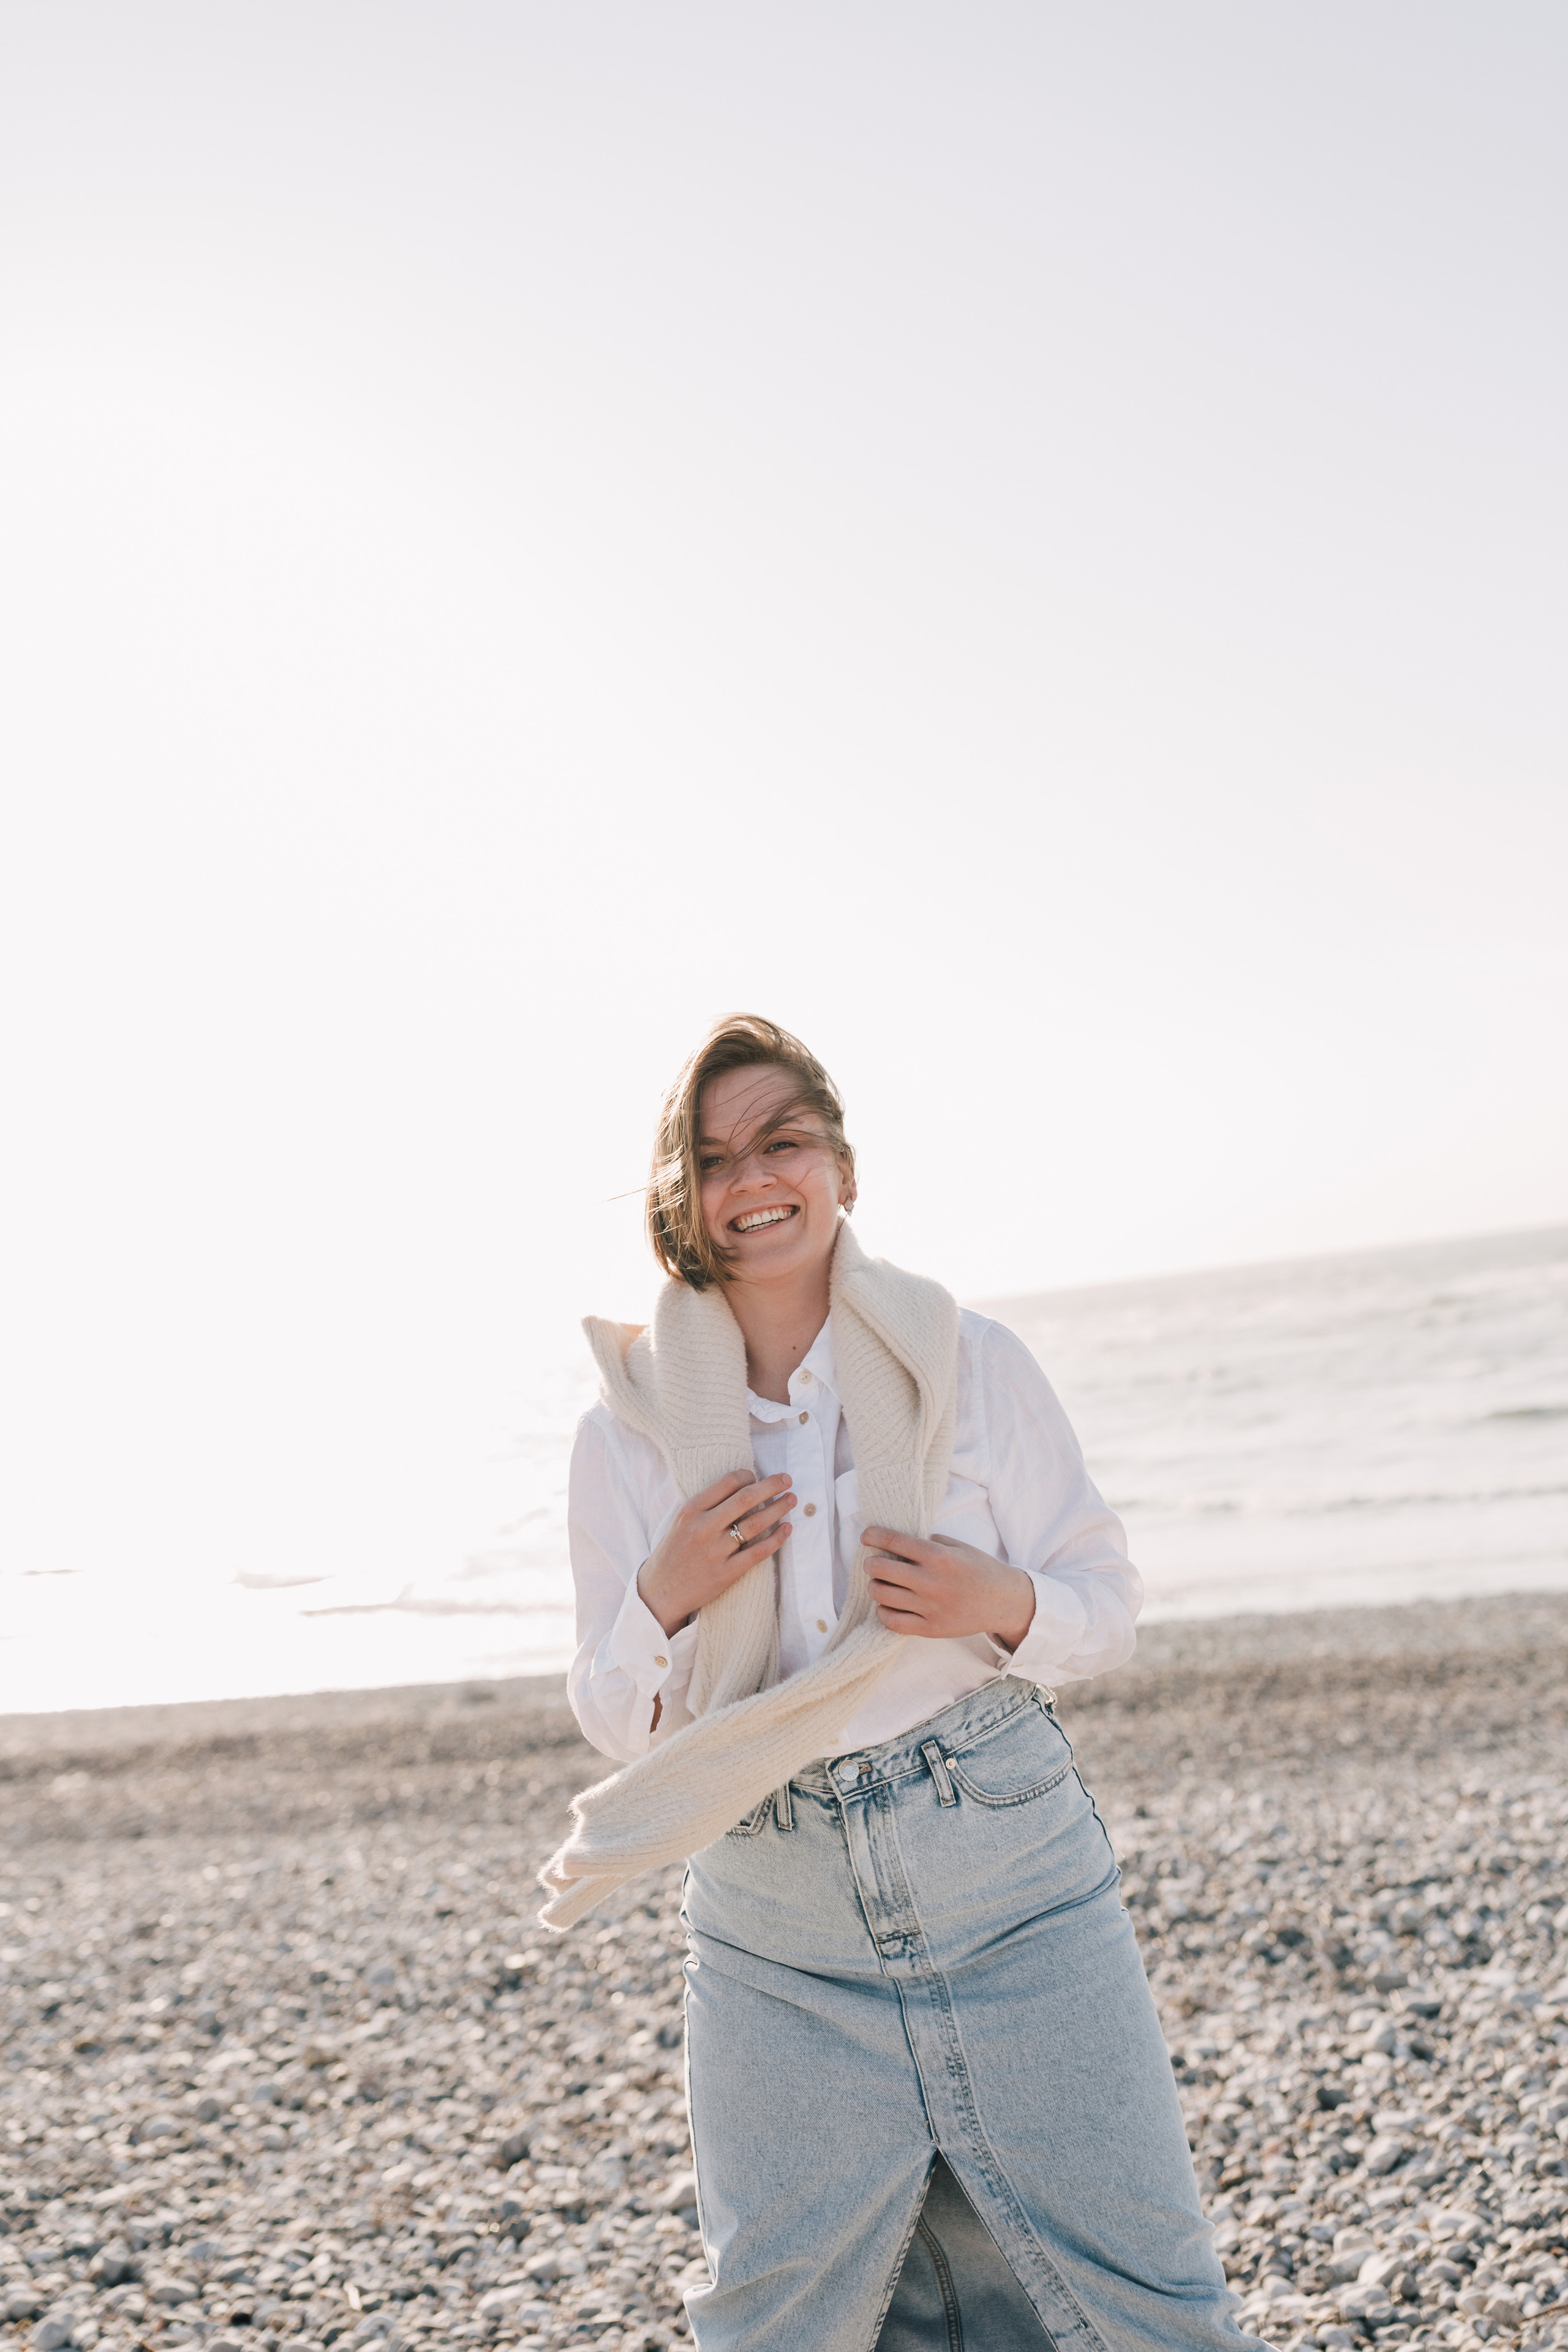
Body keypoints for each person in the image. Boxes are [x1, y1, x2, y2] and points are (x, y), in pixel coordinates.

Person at [551, 1014, 1252, 2352]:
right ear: (680, 1200)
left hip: (1010, 1876)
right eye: (713, 1159)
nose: (754, 1179)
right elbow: (614, 1717)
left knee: (1145, 2297)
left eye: (783, 1141)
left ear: (843, 1168)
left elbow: (1104, 1606)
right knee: (780, 2318)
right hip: (772, 1914)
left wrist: (999, 1604)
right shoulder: (625, 1431)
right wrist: (665, 1593)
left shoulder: (968, 1361)